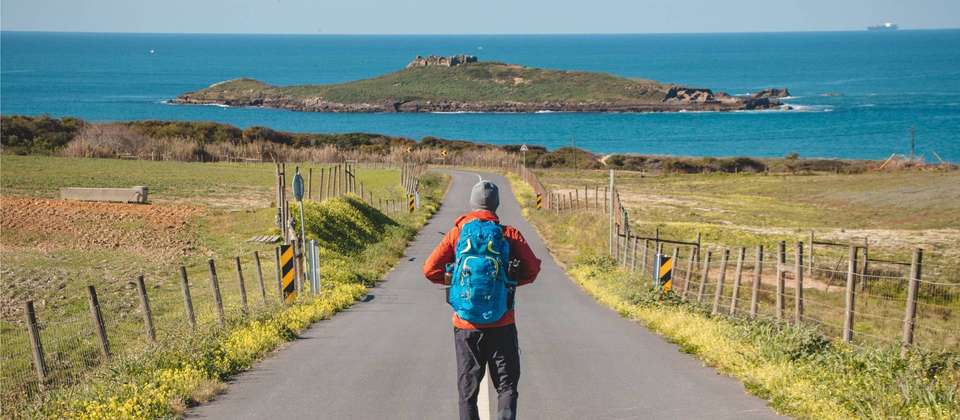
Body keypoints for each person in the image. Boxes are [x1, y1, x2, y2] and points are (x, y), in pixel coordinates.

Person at [423, 180, 541, 420]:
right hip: (502, 322)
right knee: (506, 387)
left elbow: (429, 269)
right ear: (497, 204)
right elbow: (532, 269)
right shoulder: (509, 234)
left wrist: (455, 284)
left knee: (468, 391)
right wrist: (506, 284)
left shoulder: (458, 233)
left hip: (465, 325)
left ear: (472, 203)